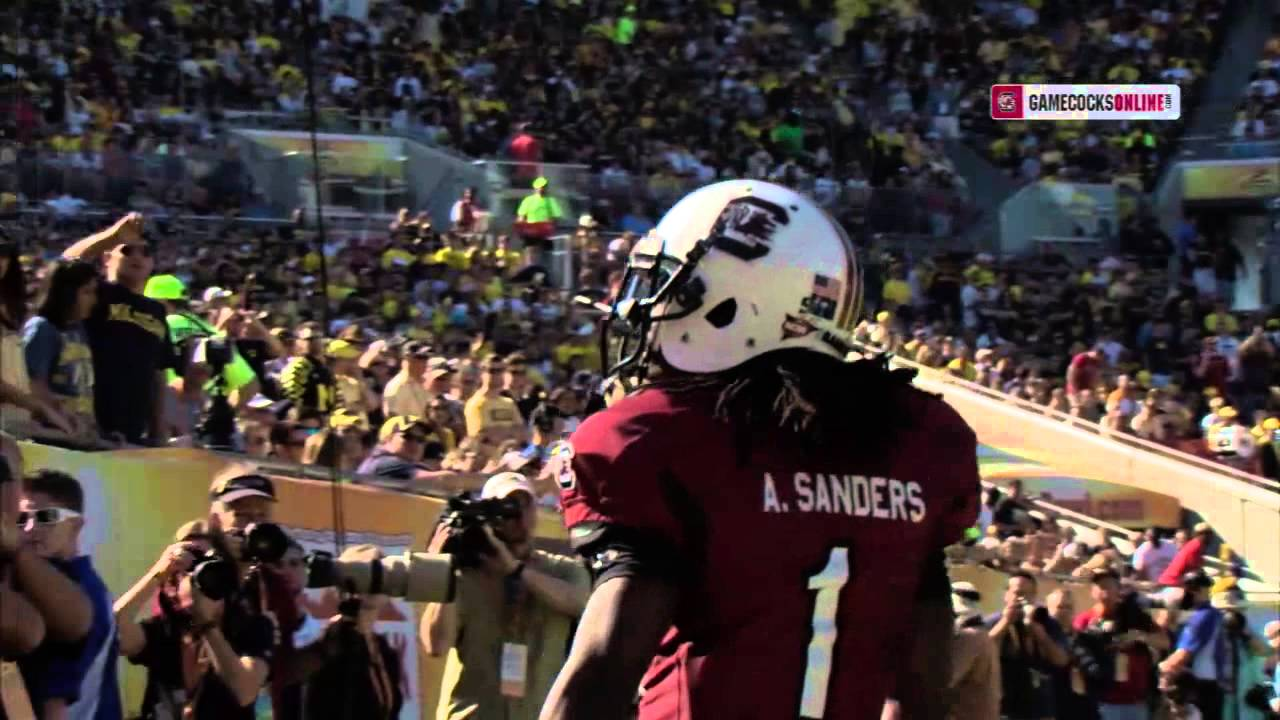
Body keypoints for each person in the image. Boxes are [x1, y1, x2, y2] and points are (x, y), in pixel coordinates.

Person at [540, 180, 980, 720]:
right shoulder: (919, 438)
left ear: (732, 307)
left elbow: (603, 671)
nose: (648, 314)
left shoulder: (663, 439)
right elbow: (922, 689)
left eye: (673, 292)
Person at [423, 472, 590, 720]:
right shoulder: (465, 575)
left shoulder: (563, 570)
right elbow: (435, 645)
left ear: (536, 512)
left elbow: (582, 604)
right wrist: (443, 568)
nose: (518, 515)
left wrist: (515, 570)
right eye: (507, 507)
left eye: (525, 504)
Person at [16, 469, 122, 720]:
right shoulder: (42, 579)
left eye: (47, 517)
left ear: (76, 524)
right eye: (23, 517)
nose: (30, 528)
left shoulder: (84, 593)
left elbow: (55, 706)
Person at [62, 213, 176, 444]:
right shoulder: (95, 292)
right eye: (127, 250)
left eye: (146, 252)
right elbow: (65, 265)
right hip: (85, 424)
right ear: (107, 258)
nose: (138, 257)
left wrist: (159, 430)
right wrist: (112, 236)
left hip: (132, 432)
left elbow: (158, 373)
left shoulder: (157, 311)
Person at [22, 260, 100, 439]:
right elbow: (34, 385)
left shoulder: (79, 330)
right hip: (52, 435)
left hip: (81, 434)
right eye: (86, 292)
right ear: (66, 293)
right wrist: (62, 415)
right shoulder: (42, 329)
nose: (94, 300)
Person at [1159, 572, 1227, 720]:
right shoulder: (1208, 614)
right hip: (1208, 687)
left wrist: (1161, 668)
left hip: (1202, 688)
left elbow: (1183, 654)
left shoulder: (1203, 616)